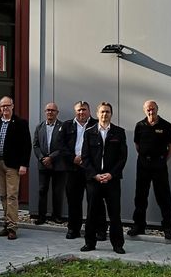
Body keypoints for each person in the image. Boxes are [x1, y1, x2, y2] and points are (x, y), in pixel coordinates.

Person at [79, 102, 127, 254]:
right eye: (102, 112)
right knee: (92, 213)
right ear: (97, 113)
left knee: (114, 214)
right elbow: (85, 157)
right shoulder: (89, 132)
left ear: (111, 114)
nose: (104, 114)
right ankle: (90, 243)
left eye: (107, 112)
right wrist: (95, 175)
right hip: (94, 180)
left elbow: (122, 157)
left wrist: (111, 174)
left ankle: (118, 244)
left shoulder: (119, 132)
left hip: (112, 180)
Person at [129, 100, 171, 240]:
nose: (151, 111)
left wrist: (162, 161)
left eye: (153, 109)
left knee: (164, 197)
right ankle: (139, 225)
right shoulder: (140, 125)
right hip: (143, 165)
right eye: (148, 109)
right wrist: (145, 157)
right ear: (144, 110)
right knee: (140, 196)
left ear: (157, 109)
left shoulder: (166, 125)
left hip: (159, 165)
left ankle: (168, 228)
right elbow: (137, 145)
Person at [0, 96, 31, 240]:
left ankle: (12, 227)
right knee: (3, 195)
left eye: (7, 105)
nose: (5, 108)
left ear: (12, 106)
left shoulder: (20, 123)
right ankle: (6, 224)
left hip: (13, 165)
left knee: (12, 195)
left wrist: (24, 164)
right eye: (2, 106)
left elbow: (26, 145)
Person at [58, 101, 101, 240]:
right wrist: (73, 158)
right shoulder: (66, 125)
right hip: (73, 168)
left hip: (91, 169)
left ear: (89, 111)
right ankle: (73, 229)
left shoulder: (97, 124)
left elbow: (102, 147)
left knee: (94, 200)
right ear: (75, 111)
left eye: (84, 109)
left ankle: (98, 230)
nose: (81, 112)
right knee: (73, 201)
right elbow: (60, 145)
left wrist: (88, 160)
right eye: (79, 110)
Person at [33, 102, 66, 224]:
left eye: (53, 110)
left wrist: (51, 158)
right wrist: (42, 158)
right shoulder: (39, 127)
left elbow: (64, 146)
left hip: (58, 165)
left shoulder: (63, 127)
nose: (50, 112)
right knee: (42, 190)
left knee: (57, 192)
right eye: (48, 110)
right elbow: (35, 145)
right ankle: (41, 216)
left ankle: (56, 216)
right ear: (45, 112)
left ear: (57, 113)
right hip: (43, 165)